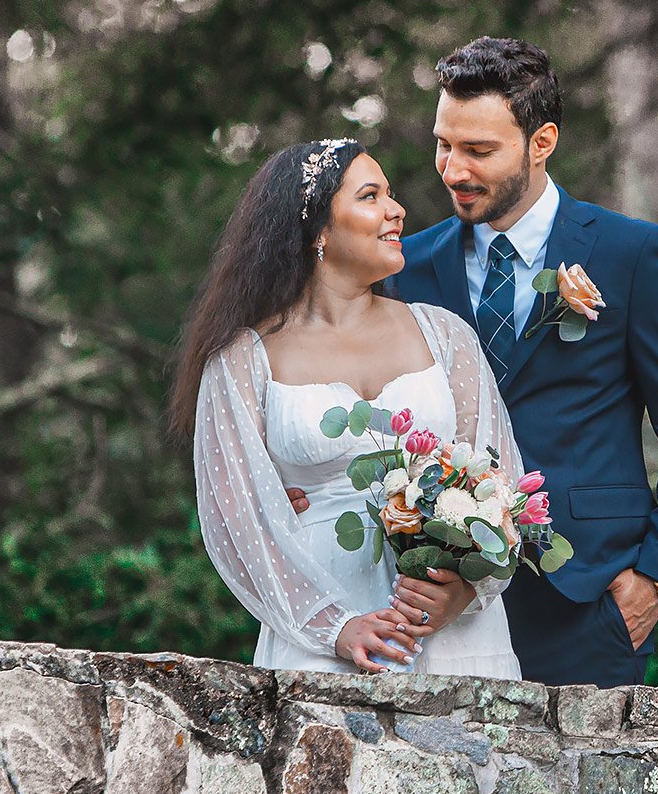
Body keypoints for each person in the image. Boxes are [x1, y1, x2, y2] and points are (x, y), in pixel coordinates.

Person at [297, 37, 658, 688]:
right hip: (432, 608)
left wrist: (657, 582)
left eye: (479, 150)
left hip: (584, 605)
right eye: (444, 144)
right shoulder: (402, 268)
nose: (453, 169)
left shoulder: (632, 255)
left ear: (542, 141)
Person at [175, 138, 523, 676]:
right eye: (370, 196)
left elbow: (500, 479)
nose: (397, 210)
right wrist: (333, 626)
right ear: (317, 230)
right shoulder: (243, 360)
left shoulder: (445, 336)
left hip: (454, 631)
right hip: (320, 634)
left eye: (391, 194)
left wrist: (465, 589)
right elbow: (237, 522)